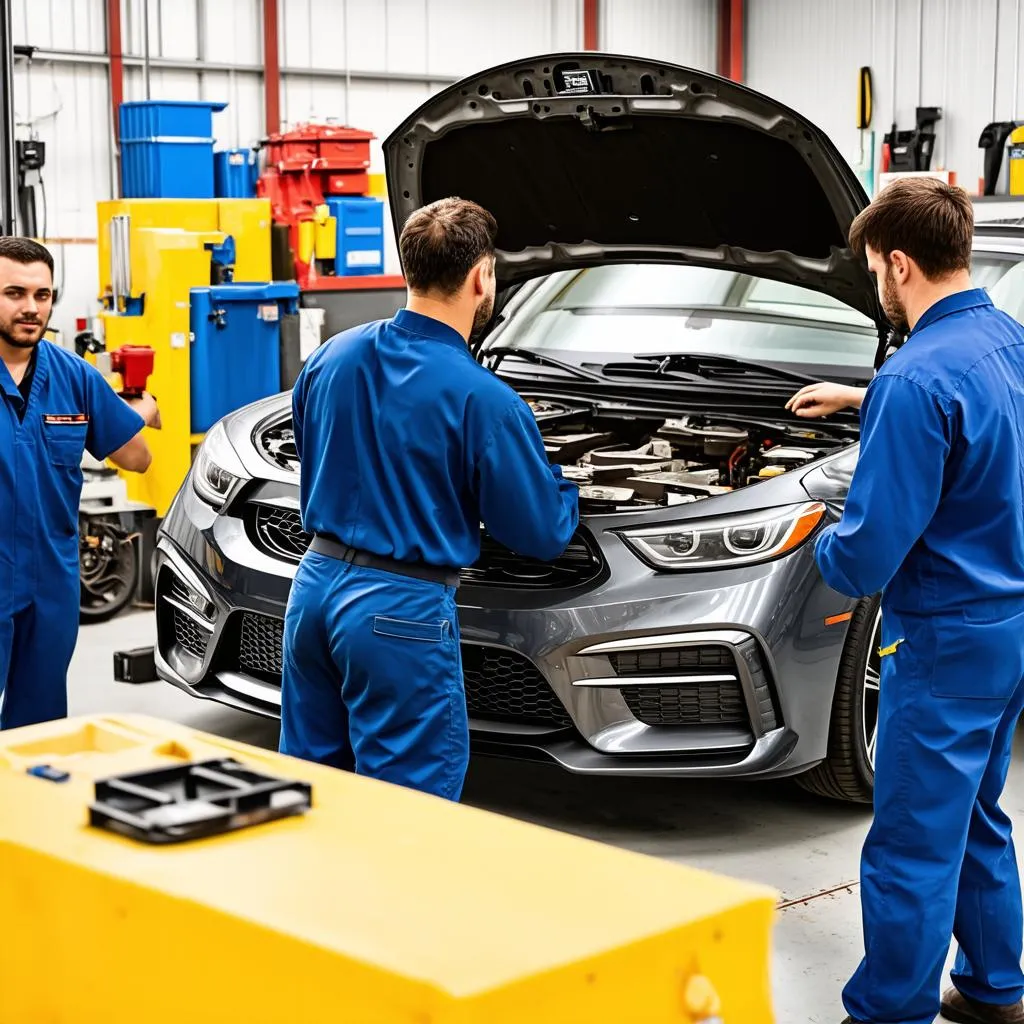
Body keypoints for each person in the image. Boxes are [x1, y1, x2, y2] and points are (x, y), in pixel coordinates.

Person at [787, 178, 1024, 1024]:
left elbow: (867, 554)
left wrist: (818, 533)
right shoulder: (1009, 340)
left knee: (912, 844)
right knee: (976, 817)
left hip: (945, 641)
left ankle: (889, 1012)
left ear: (898, 263)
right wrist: (866, 402)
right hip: (1010, 630)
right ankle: (998, 987)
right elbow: (978, 420)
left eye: (874, 275)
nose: (877, 292)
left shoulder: (916, 378)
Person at [279, 197, 579, 802]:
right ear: (481, 276)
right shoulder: (483, 399)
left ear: (409, 268)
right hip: (399, 613)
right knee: (407, 809)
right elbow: (540, 532)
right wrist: (565, 483)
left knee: (310, 794)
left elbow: (310, 443)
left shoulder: (333, 355)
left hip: (311, 591)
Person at [0, 237, 158, 731]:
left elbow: (137, 457)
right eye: (14, 293)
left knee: (40, 727)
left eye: (42, 295)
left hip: (51, 582)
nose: (31, 308)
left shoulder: (73, 376)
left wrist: (140, 412)